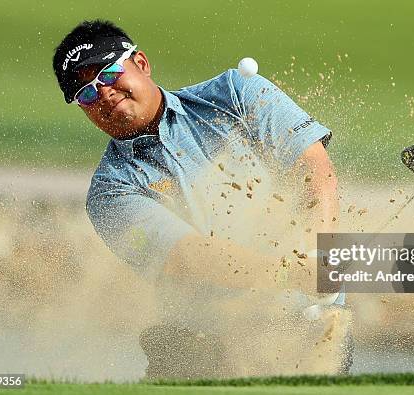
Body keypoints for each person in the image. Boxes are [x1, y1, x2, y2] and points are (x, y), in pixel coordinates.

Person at [52, 19, 351, 378]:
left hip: (311, 327)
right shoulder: (109, 193)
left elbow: (312, 168)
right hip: (202, 349)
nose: (103, 93)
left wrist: (319, 255)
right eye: (85, 93)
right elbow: (187, 257)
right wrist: (290, 274)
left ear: (142, 64)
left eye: (109, 73)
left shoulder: (236, 93)